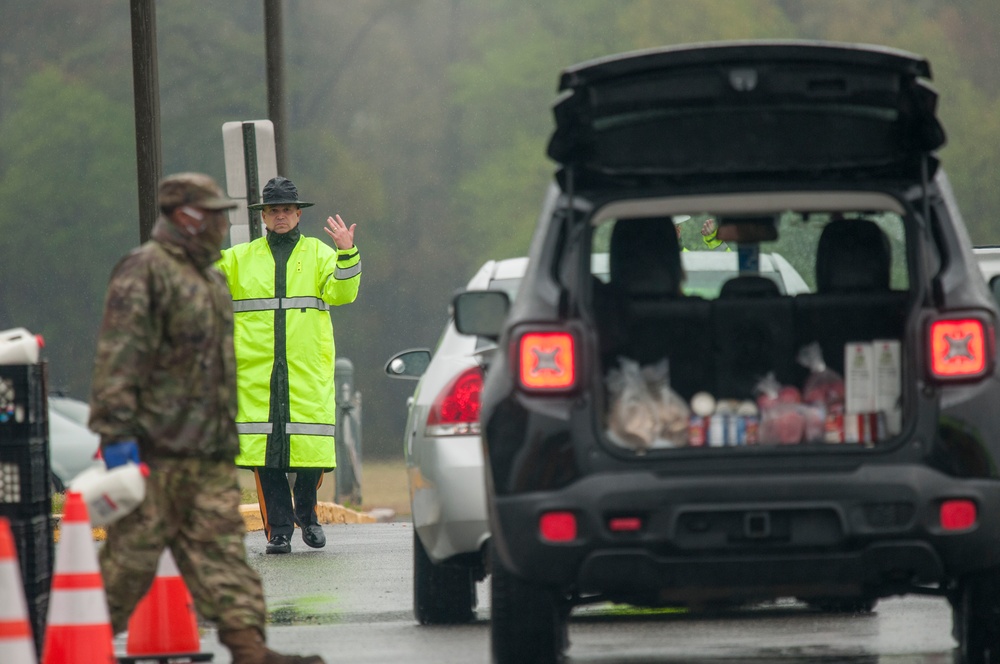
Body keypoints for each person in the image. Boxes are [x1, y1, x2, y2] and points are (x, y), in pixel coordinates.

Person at [88, 172, 325, 664]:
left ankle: (250, 649)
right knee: (128, 564)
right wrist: (117, 438)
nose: (222, 223)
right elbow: (119, 360)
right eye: (212, 213)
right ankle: (74, 645)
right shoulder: (145, 270)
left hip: (209, 449)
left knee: (225, 561)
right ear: (185, 217)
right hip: (160, 449)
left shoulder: (208, 275)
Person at [216, 176, 361, 555]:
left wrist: (347, 252)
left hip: (305, 369)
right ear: (263, 216)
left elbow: (342, 293)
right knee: (268, 458)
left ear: (298, 214)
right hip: (257, 373)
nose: (280, 217)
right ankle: (279, 531)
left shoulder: (318, 253)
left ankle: (308, 516)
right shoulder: (239, 257)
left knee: (310, 450)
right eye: (272, 210)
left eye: (286, 210)